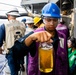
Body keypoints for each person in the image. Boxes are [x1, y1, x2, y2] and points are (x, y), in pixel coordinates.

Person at [6, 3, 69, 75]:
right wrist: (31, 38)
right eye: (48, 20)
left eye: (55, 20)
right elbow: (15, 52)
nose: (52, 23)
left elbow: (65, 60)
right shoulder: (35, 35)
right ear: (43, 20)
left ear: (58, 20)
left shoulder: (62, 37)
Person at [0, 8, 26, 75]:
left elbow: (0, 40)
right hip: (21, 50)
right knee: (18, 67)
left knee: (13, 71)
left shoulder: (4, 26)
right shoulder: (23, 25)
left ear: (8, 16)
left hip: (11, 51)